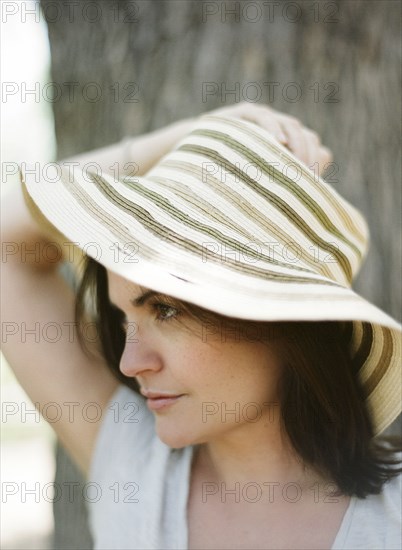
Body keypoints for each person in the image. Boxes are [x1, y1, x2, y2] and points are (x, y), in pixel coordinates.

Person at [1, 103, 401, 550]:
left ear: (286, 316)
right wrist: (189, 136)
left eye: (166, 311)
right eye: (121, 318)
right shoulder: (133, 471)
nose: (131, 362)